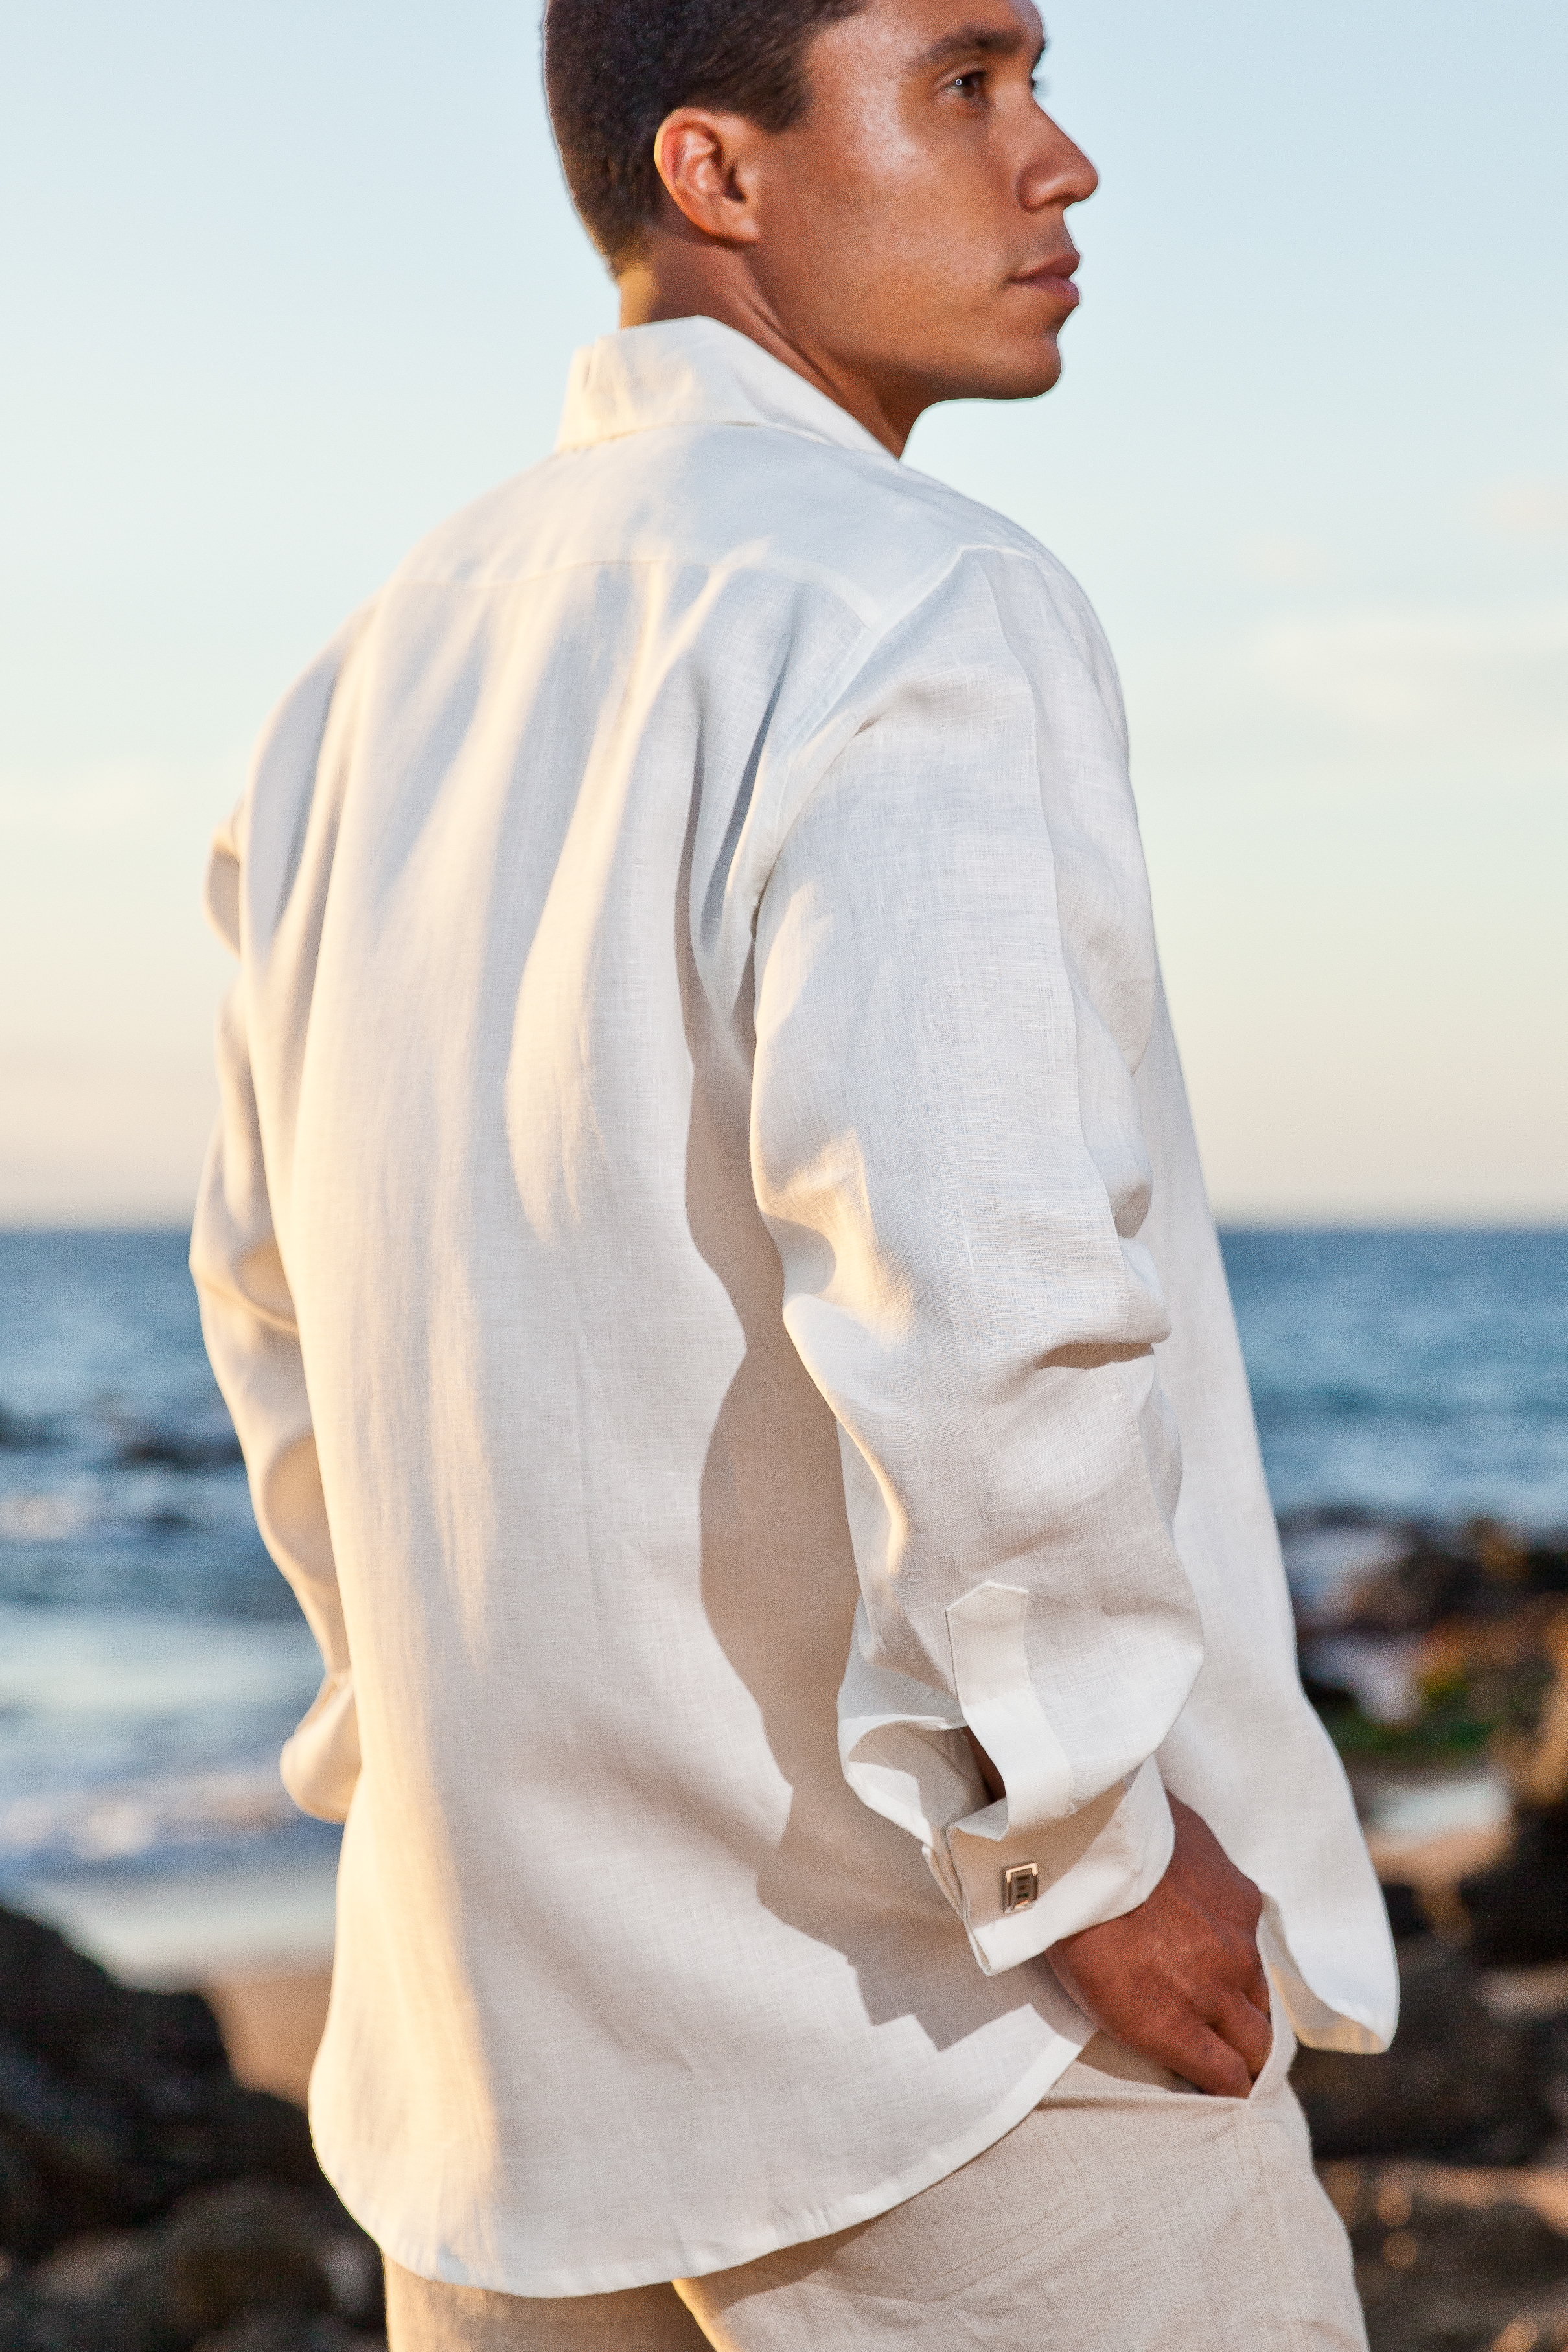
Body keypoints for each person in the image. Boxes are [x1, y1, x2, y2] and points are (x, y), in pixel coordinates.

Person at [190, 0, 1399, 2341]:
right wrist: (1090, 1838)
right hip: (939, 2040)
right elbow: (975, 1281)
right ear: (716, 172)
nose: (1058, 162)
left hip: (502, 2074)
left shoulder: (353, 684)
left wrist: (406, 1782)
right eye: (963, 81)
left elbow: (279, 1322)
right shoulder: (913, 591)